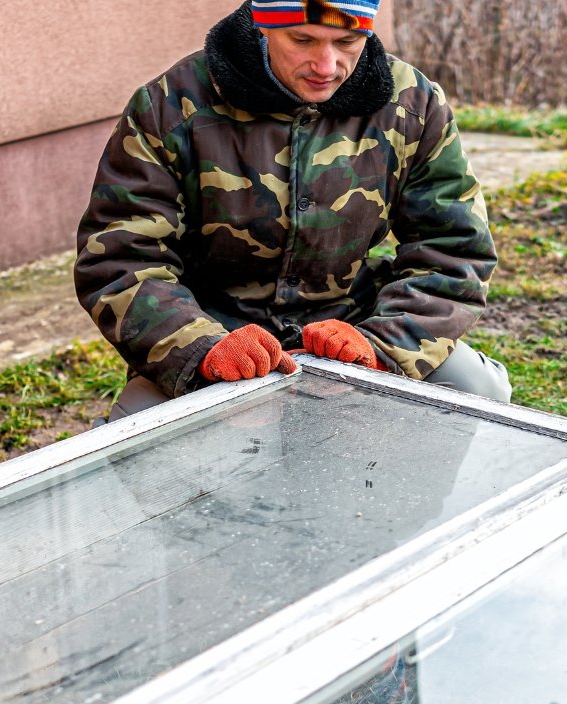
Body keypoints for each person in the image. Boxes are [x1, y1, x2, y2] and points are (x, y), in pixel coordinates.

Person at [75, 0, 510, 420]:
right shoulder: (168, 106)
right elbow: (120, 257)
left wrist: (380, 346)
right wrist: (202, 349)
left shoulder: (412, 105)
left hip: (353, 324)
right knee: (137, 429)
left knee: (479, 390)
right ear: (263, 25)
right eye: (302, 39)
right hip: (218, 332)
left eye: (347, 41)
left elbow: (454, 248)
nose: (326, 65)